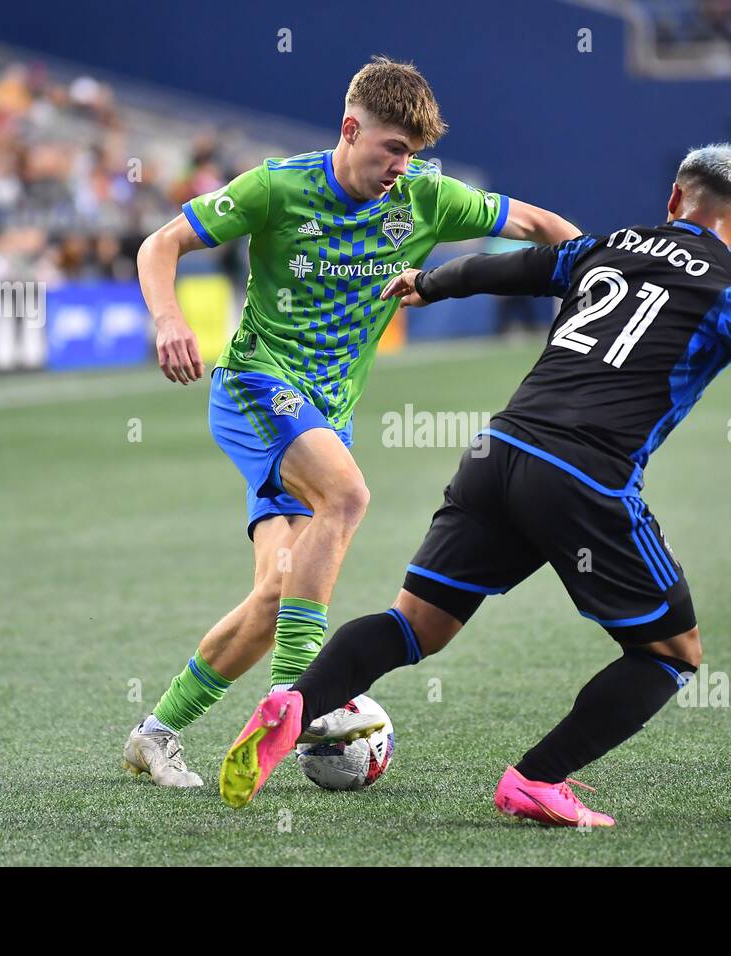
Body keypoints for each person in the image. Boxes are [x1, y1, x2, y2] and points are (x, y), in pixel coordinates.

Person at [217, 143, 731, 822]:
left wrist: (428, 282)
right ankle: (537, 779)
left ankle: (298, 702)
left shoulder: (608, 245)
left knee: (413, 626)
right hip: (585, 478)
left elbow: (513, 268)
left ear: (673, 200)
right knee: (671, 653)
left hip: (498, 454)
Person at [123, 56, 581, 787]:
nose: (402, 166)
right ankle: (303, 698)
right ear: (350, 129)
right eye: (391, 148)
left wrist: (600, 283)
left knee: (277, 595)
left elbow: (539, 225)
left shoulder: (425, 199)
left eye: (413, 153)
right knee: (349, 496)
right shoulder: (279, 186)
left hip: (323, 421)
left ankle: (155, 733)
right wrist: (169, 317)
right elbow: (161, 244)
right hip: (256, 387)